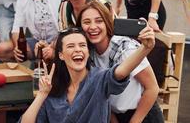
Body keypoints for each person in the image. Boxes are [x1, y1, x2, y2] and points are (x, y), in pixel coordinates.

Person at [20, 24, 155, 123]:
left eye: (82, 45)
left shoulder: (99, 79)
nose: (78, 50)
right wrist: (42, 94)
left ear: (87, 52)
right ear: (61, 55)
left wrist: (145, 48)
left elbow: (120, 72)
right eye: (71, 46)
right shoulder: (52, 88)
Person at [77, 1, 164, 123]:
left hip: (143, 115)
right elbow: (102, 94)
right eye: (86, 22)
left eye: (99, 21)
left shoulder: (125, 47)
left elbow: (152, 88)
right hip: (115, 116)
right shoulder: (87, 53)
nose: (92, 27)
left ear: (107, 22)